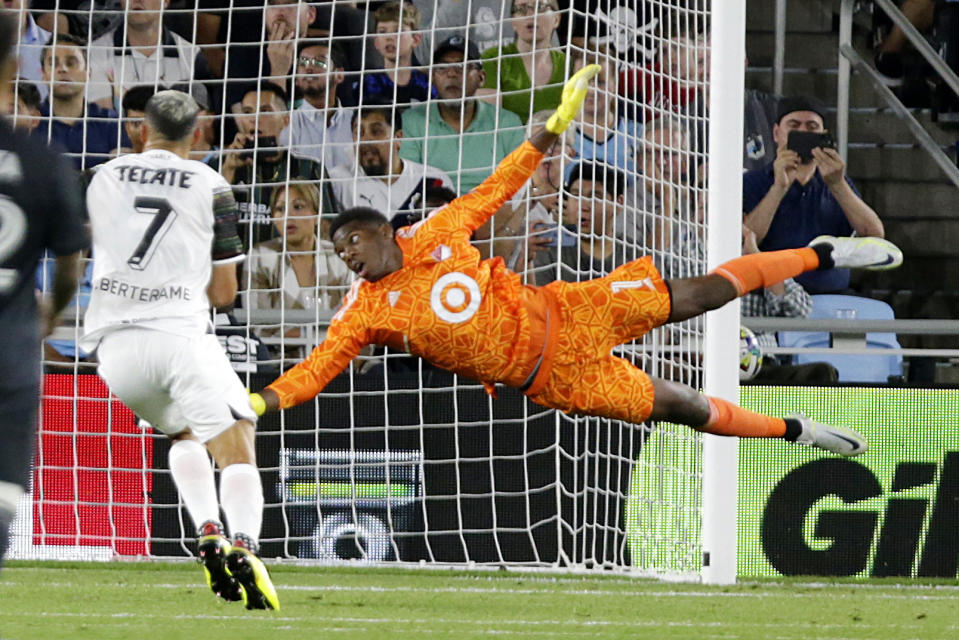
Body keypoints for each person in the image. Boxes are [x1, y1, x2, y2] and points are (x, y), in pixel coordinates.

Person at [249, 65, 902, 460]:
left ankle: (819, 253)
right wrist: (263, 400)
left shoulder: (436, 231)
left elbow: (499, 185)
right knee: (683, 408)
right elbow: (316, 370)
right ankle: (795, 430)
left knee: (700, 294)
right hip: (553, 378)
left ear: (378, 233)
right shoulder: (362, 312)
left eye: (350, 245)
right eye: (338, 255)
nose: (345, 259)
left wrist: (550, 128)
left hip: (572, 311)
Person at [80, 89, 279, 610]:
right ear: (198, 132)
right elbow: (224, 294)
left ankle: (207, 528)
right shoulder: (214, 185)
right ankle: (245, 544)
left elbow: (77, 246)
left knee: (184, 432)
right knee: (238, 441)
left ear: (142, 130)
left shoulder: (102, 176)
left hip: (115, 353)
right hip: (181, 338)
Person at [0, 12, 88, 572]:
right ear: (14, 65)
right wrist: (51, 314)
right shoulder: (43, 157)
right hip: (9, 356)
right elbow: (71, 262)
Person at [743, 96, 886, 294]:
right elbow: (746, 241)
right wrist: (778, 188)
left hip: (832, 296)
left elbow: (874, 235)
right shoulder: (752, 182)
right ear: (777, 133)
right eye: (794, 126)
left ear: (823, 135)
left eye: (812, 127)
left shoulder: (836, 182)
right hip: (772, 296)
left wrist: (838, 185)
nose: (803, 132)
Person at [399, 35, 525, 196]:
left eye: (462, 66)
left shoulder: (507, 123)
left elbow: (517, 187)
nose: (451, 74)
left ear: (482, 78)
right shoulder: (411, 121)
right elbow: (409, 185)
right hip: (433, 212)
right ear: (432, 78)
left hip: (492, 212)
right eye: (442, 68)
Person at [210, 81, 329, 247]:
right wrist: (228, 170)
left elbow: (326, 229)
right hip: (233, 267)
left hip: (287, 268)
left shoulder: (310, 169)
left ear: (286, 120)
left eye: (265, 111)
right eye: (247, 112)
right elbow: (203, 219)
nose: (254, 119)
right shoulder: (221, 165)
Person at [246, 180, 352, 360]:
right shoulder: (260, 257)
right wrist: (314, 336)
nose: (288, 216)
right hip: (281, 363)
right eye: (280, 209)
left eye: (298, 206)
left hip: (337, 360)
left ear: (316, 214)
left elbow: (354, 319)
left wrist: (301, 335)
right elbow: (258, 328)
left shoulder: (340, 256)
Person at [328, 105, 454, 229]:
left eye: (376, 131)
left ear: (398, 138)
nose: (366, 140)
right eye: (358, 133)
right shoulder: (337, 181)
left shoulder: (434, 179)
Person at [740, 227, 839, 384]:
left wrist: (757, 261)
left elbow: (800, 310)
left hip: (762, 364)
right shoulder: (686, 259)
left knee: (821, 373)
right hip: (700, 363)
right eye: (703, 209)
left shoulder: (762, 260)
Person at [85, 0, 213, 111]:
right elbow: (104, 122)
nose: (137, 0)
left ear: (166, 2)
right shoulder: (96, 52)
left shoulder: (191, 55)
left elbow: (200, 121)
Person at [33, 33, 130, 169]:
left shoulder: (111, 123)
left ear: (88, 74)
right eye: (53, 63)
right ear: (43, 74)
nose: (62, 69)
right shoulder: (30, 122)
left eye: (71, 63)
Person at [479, 0, 566, 123]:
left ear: (556, 19)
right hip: (510, 141)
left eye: (540, 7)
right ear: (513, 22)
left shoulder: (569, 65)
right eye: (521, 9)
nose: (530, 15)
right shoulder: (493, 60)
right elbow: (488, 122)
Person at [280, 41, 354, 170]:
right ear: (296, 79)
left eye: (320, 62)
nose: (309, 68)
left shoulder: (357, 121)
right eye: (303, 63)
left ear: (340, 75)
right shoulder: (286, 124)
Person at [363, 1, 435, 106]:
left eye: (398, 31)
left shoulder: (427, 83)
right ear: (376, 42)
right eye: (382, 31)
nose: (389, 37)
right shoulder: (369, 83)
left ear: (415, 39)